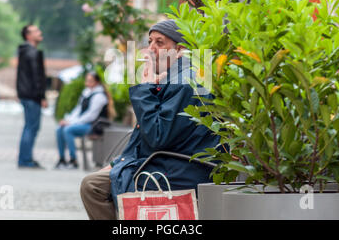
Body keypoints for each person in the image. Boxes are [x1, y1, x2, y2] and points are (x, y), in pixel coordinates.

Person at [80, 20, 220, 220]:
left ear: (179, 49)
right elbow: (152, 131)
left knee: (92, 186)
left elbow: (157, 135)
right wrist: (118, 163)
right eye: (150, 41)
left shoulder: (185, 83)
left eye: (160, 43)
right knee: (96, 182)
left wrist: (145, 91)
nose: (151, 49)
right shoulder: (175, 78)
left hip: (176, 169)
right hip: (163, 161)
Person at [55, 72, 115, 170]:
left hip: (94, 126)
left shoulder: (100, 96)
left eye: (90, 81)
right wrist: (67, 120)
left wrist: (71, 123)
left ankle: (73, 160)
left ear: (97, 82)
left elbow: (91, 115)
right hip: (84, 124)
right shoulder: (86, 92)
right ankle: (62, 159)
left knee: (68, 130)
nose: (87, 83)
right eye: (87, 80)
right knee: (59, 129)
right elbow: (78, 110)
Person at [16, 24, 48, 169]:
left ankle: (25, 158)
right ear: (28, 36)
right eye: (36, 31)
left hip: (26, 94)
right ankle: (25, 159)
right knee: (31, 127)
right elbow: (37, 77)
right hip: (32, 95)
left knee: (29, 126)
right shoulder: (32, 52)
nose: (40, 32)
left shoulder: (25, 51)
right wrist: (42, 96)